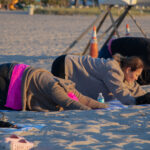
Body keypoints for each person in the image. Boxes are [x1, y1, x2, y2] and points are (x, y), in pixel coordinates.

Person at [0, 63, 108, 112]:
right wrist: (90, 111)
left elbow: (85, 100)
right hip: (10, 76)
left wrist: (104, 107)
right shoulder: (56, 89)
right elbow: (69, 103)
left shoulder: (68, 86)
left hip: (18, 73)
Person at [51, 53, 150, 105]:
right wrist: (136, 102)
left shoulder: (123, 72)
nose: (136, 79)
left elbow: (134, 88)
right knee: (61, 99)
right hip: (64, 66)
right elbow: (119, 91)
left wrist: (145, 96)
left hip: (66, 64)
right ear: (128, 69)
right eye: (136, 75)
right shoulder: (113, 70)